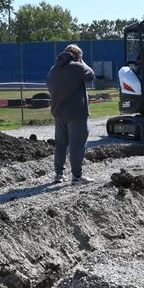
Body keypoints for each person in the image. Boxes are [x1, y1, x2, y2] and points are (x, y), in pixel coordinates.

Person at [46, 44, 95, 184]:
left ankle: (58, 174)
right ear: (77, 56)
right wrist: (82, 62)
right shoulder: (78, 67)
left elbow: (49, 87)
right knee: (77, 145)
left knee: (61, 144)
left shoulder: (53, 69)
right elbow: (91, 75)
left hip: (59, 113)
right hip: (77, 113)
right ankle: (77, 177)